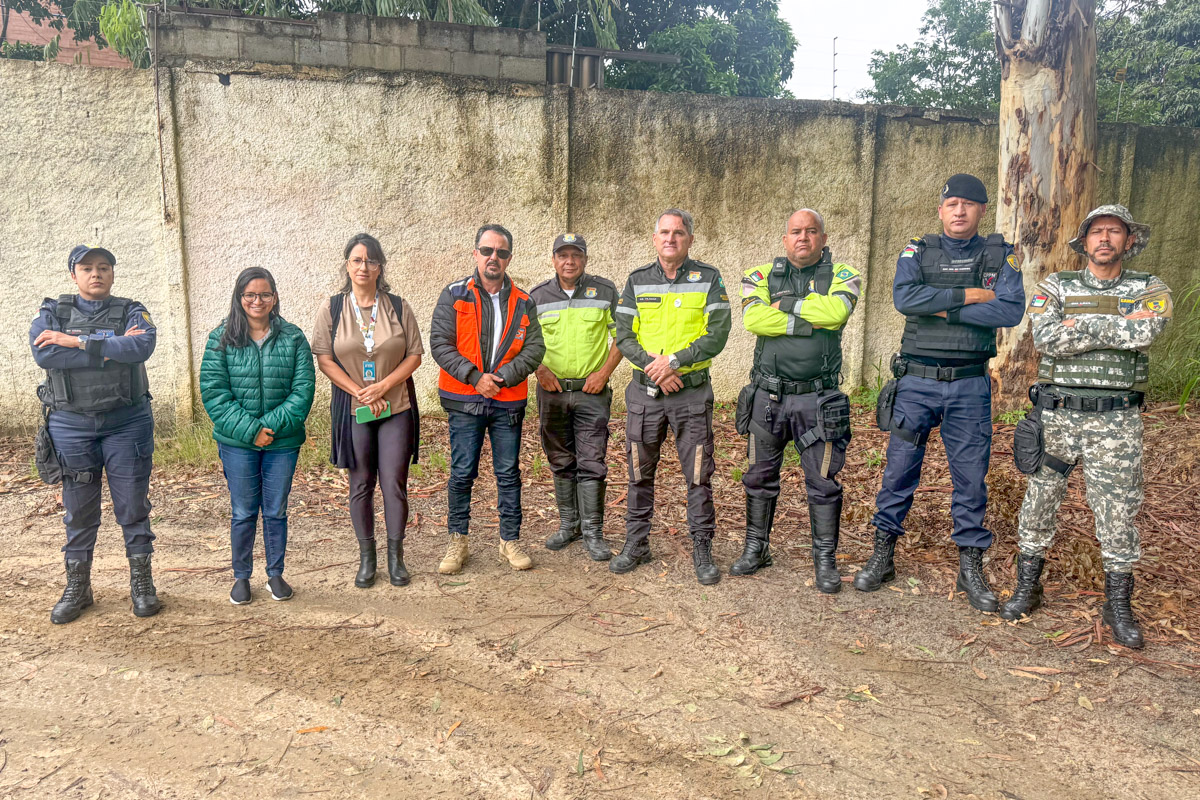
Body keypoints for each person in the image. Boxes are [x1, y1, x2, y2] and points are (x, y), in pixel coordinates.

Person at [1000, 204, 1170, 649]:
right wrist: (1116, 323)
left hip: (1117, 420)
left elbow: (1146, 333)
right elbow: (1047, 337)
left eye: (1114, 231)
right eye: (1097, 231)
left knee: (1118, 511)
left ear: (1129, 240)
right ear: (1086, 241)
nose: (1105, 238)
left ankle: (1118, 605)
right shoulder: (1056, 285)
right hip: (1059, 416)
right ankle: (1028, 587)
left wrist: (1080, 324)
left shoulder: (1149, 287)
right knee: (1039, 501)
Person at [858, 174, 1025, 611]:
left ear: (982, 210)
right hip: (916, 382)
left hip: (969, 384)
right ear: (940, 210)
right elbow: (905, 300)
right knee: (898, 471)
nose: (960, 210)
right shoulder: (918, 250)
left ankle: (970, 567)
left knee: (970, 478)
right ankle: (883, 554)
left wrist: (942, 309)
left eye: (969, 204)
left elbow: (1009, 310)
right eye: (952, 204)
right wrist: (970, 296)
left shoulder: (999, 255)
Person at [30, 245, 161, 623]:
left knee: (133, 506)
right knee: (79, 510)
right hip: (71, 424)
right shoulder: (52, 312)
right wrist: (109, 349)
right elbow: (45, 354)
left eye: (104, 267)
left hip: (126, 422)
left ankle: (141, 584)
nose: (96, 274)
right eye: (87, 268)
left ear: (113, 273)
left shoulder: (132, 310)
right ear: (74, 275)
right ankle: (78, 587)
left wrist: (74, 341)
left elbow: (141, 345)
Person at [734, 210, 862, 591]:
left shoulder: (843, 275)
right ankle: (756, 548)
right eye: (795, 231)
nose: (803, 237)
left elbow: (836, 313)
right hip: (767, 398)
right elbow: (754, 320)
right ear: (785, 239)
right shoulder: (760, 276)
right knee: (759, 476)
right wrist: (810, 320)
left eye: (811, 231)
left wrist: (785, 305)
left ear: (823, 238)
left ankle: (825, 560)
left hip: (818, 400)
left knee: (822, 481)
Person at [612, 209, 731, 584]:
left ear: (690, 239)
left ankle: (702, 547)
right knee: (638, 472)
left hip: (690, 393)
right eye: (664, 232)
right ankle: (636, 544)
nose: (670, 238)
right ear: (654, 238)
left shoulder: (708, 278)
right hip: (645, 393)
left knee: (698, 474)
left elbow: (717, 333)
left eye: (678, 233)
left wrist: (675, 362)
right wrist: (656, 368)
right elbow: (623, 334)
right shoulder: (637, 280)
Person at [429, 224, 545, 574]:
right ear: (475, 253)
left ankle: (509, 540)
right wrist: (475, 377)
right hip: (465, 399)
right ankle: (458, 540)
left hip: (507, 401)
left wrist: (503, 378)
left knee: (508, 473)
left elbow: (535, 348)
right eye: (487, 250)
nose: (494, 257)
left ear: (509, 258)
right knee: (462, 472)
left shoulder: (524, 301)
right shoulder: (454, 294)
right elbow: (440, 343)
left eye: (501, 252)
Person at [312, 234, 424, 589]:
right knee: (360, 483)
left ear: (380, 267)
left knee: (393, 483)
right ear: (347, 265)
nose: (364, 267)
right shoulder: (332, 308)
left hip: (396, 407)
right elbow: (325, 359)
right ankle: (367, 558)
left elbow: (415, 356)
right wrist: (359, 391)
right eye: (357, 260)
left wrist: (383, 386)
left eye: (371, 261)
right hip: (353, 409)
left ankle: (396, 558)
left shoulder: (398, 306)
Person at [200, 268, 315, 604]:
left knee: (276, 510)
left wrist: (269, 429)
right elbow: (214, 392)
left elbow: (303, 390)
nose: (257, 301)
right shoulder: (221, 338)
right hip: (238, 443)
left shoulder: (293, 338)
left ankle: (275, 574)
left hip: (282, 442)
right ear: (240, 298)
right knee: (244, 511)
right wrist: (251, 432)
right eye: (250, 295)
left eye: (265, 294)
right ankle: (241, 577)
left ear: (274, 298)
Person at [530, 234, 623, 560]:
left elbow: (623, 335)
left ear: (584, 259)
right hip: (552, 392)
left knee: (592, 461)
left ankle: (592, 532)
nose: (569, 261)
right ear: (553, 259)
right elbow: (525, 340)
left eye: (576, 255)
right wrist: (540, 369)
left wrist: (604, 373)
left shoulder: (605, 291)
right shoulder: (537, 296)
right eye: (563, 255)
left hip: (591, 392)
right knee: (560, 459)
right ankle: (569, 525)